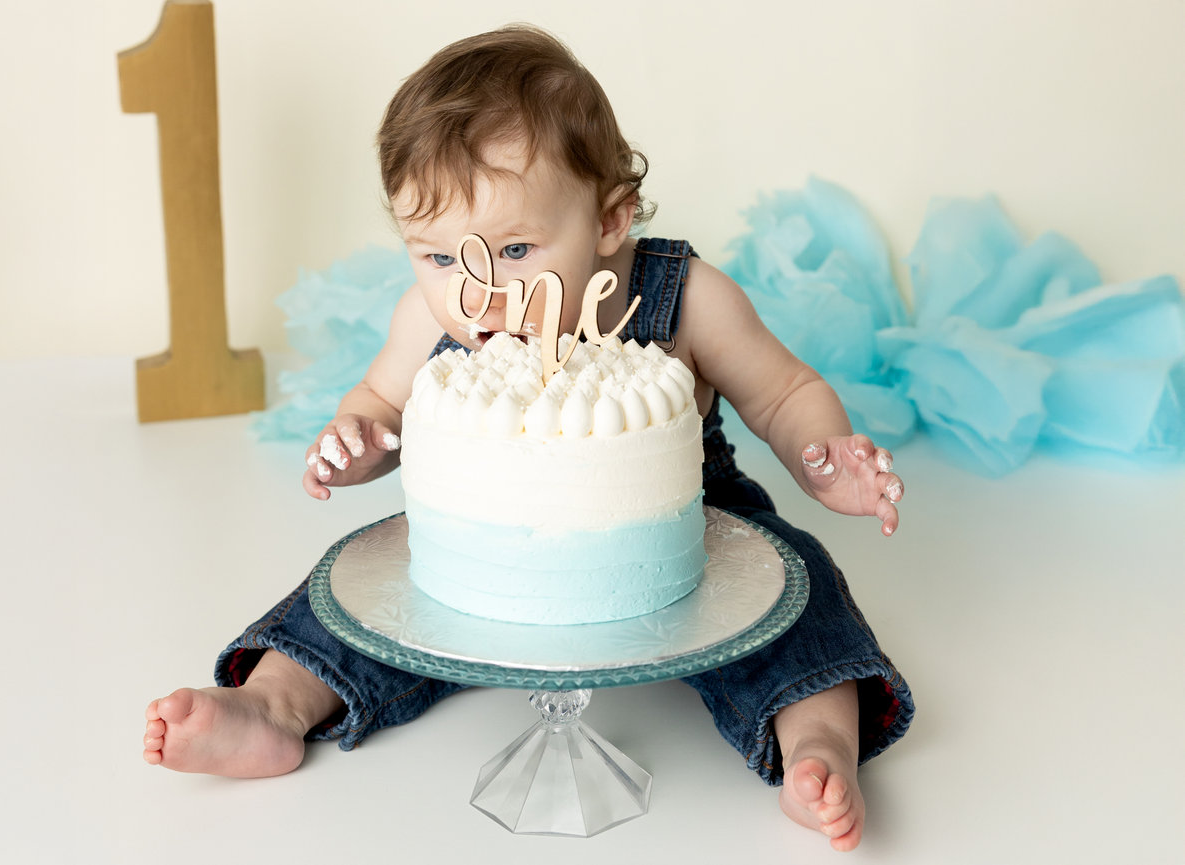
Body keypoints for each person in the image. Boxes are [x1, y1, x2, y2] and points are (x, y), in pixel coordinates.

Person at [143, 24, 913, 852]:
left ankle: (815, 741)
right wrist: (357, 438)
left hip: (686, 518)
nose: (476, 292)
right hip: (483, 535)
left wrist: (822, 454)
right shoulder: (426, 319)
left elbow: (785, 389)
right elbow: (380, 404)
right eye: (438, 257)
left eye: (513, 249)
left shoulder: (682, 295)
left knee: (796, 587)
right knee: (369, 593)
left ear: (611, 216)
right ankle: (274, 704)